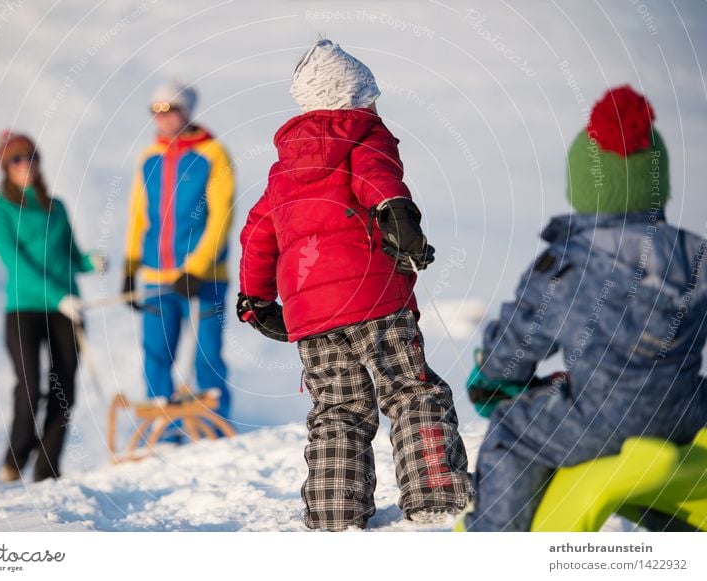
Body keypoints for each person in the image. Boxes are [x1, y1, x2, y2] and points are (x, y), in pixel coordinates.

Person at [237, 39, 473, 531]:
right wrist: (401, 222)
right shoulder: (364, 134)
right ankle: (435, 496)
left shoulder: (284, 169)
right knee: (411, 392)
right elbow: (379, 180)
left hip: (311, 315)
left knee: (338, 407)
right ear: (353, 99)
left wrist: (256, 300)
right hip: (374, 298)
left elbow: (259, 232)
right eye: (369, 96)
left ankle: (334, 512)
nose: (374, 104)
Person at [463, 86, 707, 531]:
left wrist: (495, 377)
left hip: (601, 420)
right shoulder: (695, 254)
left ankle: (495, 544)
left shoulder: (572, 260)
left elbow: (522, 337)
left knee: (511, 433)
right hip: (686, 415)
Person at [0, 131, 106, 482]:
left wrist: (89, 261)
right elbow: (17, 264)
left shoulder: (56, 207)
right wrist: (59, 296)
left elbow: (69, 256)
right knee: (29, 385)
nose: (26, 165)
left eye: (31, 157)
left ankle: (47, 471)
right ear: (5, 167)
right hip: (24, 309)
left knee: (64, 389)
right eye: (17, 160)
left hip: (66, 310)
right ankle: (16, 454)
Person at [122, 78, 234, 426]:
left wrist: (197, 267)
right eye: (156, 111)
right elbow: (138, 215)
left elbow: (221, 217)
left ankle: (216, 426)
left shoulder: (213, 154)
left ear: (186, 111)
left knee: (206, 357)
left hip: (204, 278)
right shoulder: (148, 157)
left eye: (170, 109)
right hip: (156, 275)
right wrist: (130, 267)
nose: (163, 117)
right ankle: (164, 432)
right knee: (156, 355)